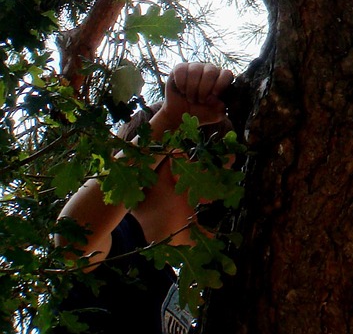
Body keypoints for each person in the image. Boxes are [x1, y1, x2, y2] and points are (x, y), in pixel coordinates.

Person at [53, 61, 235, 334]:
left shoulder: (173, 285)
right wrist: (171, 120)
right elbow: (74, 237)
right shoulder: (119, 246)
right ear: (180, 166)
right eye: (221, 185)